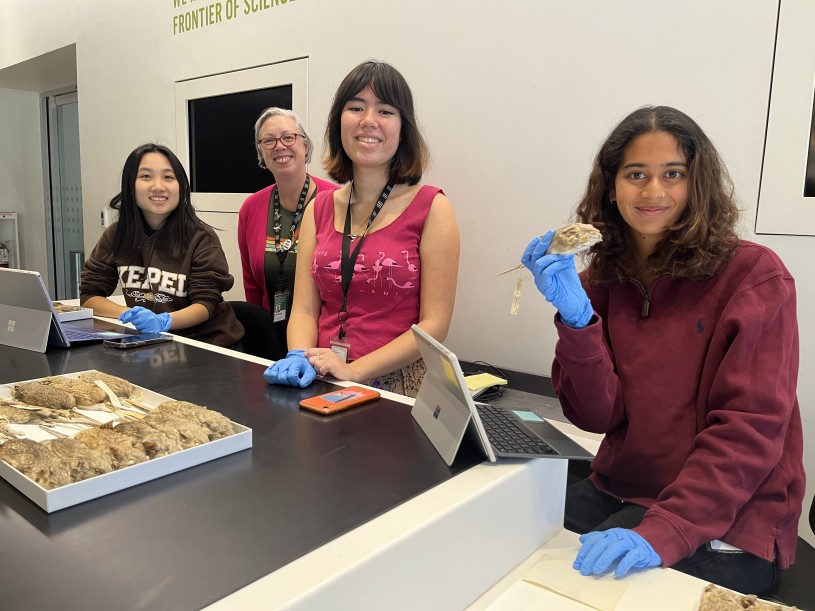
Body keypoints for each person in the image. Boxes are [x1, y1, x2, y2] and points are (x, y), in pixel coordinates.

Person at [521, 106, 804, 594]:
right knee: (509, 547)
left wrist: (668, 529)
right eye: (636, 175)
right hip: (620, 487)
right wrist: (578, 319)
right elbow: (594, 416)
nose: (653, 192)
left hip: (732, 511)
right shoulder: (599, 282)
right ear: (611, 187)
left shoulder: (754, 277)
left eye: (673, 174)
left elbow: (749, 429)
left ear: (698, 184)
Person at [263, 60, 460, 397]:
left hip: (398, 389)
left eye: (385, 110)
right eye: (355, 107)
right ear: (339, 121)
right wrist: (298, 352)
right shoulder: (319, 209)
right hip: (322, 378)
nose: (368, 120)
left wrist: (353, 370)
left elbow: (434, 326)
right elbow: (305, 309)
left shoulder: (432, 207)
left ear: (403, 127)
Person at [81, 143, 244, 349]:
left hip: (207, 345)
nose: (158, 186)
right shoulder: (116, 235)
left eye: (168, 177)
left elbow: (205, 305)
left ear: (181, 186)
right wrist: (126, 314)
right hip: (151, 344)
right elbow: (89, 295)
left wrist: (163, 321)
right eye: (146, 176)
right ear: (130, 185)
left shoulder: (201, 238)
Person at [237, 108, 338, 358]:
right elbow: (252, 285)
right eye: (268, 140)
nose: (279, 146)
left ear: (305, 145)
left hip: (326, 343)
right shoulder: (251, 208)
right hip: (272, 340)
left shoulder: (338, 202)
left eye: (288, 137)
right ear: (261, 153)